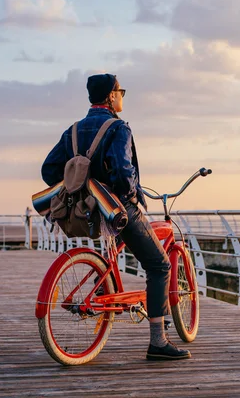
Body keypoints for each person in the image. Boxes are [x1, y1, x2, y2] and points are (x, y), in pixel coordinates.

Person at [41, 73, 191, 360]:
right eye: (120, 91)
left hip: (87, 210)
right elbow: (123, 173)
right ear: (111, 96)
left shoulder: (72, 130)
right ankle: (158, 342)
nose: (122, 95)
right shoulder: (118, 128)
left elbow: (49, 170)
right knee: (159, 266)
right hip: (117, 210)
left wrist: (82, 181)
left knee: (133, 255)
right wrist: (133, 193)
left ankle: (143, 308)